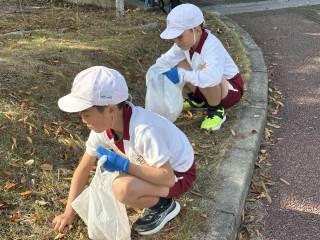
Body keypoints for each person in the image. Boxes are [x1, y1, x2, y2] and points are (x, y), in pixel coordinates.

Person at [52, 66, 195, 236]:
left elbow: (168, 177)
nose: (83, 120)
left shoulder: (143, 130)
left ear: (111, 109)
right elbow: (83, 168)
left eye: (86, 114)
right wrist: (69, 212)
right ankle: (150, 193)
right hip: (155, 167)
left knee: (122, 188)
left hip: (179, 174)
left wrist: (125, 165)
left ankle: (163, 205)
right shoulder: (104, 128)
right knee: (122, 185)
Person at [156, 3, 244, 131]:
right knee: (176, 64)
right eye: (175, 38)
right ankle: (198, 100)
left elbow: (212, 77)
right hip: (211, 86)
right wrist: (156, 70)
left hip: (229, 90)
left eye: (179, 36)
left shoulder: (212, 46)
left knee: (206, 74)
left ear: (196, 30)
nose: (177, 42)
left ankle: (216, 110)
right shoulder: (185, 44)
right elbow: (166, 59)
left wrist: (182, 74)